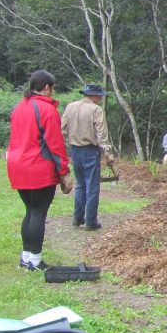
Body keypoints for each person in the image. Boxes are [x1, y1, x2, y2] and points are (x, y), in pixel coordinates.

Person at [6, 70, 72, 271]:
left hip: (17, 164)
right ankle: (35, 261)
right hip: (37, 166)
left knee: (30, 211)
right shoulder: (47, 110)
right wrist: (64, 172)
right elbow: (55, 143)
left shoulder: (20, 107)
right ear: (47, 87)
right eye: (53, 88)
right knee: (38, 212)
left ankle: (25, 257)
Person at [61, 84, 114, 231]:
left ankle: (77, 218)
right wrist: (108, 154)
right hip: (90, 150)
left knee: (80, 184)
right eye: (100, 97)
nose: (101, 99)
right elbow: (101, 134)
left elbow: (62, 129)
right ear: (95, 96)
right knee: (92, 186)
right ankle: (91, 221)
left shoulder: (70, 107)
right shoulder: (96, 110)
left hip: (75, 150)